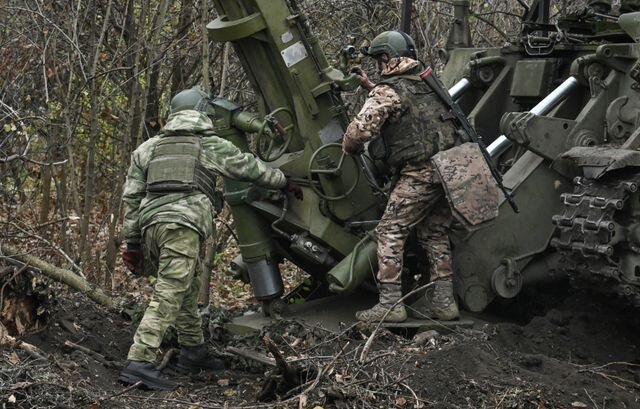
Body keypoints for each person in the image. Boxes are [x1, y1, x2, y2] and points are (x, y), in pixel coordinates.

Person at [119, 86, 288, 390]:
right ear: (203, 114)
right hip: (181, 226)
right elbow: (251, 168)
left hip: (151, 228)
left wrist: (132, 241)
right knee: (171, 290)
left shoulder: (147, 148)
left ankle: (193, 350)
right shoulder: (210, 145)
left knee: (186, 285)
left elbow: (131, 198)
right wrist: (283, 180)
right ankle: (139, 360)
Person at [342, 31, 460, 323]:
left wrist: (350, 147)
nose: (377, 67)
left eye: (378, 60)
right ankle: (445, 304)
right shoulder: (429, 81)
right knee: (435, 233)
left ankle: (390, 305)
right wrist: (371, 86)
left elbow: (360, 132)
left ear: (385, 57)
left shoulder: (387, 91)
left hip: (419, 173)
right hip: (450, 170)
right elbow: (410, 109)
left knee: (389, 231)